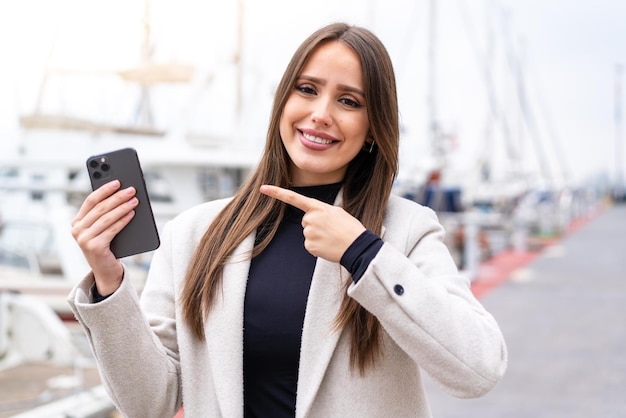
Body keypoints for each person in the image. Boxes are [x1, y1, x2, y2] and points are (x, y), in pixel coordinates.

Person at [68, 22, 507, 418]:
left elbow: (478, 370)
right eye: (307, 89)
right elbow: (150, 403)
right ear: (283, 101)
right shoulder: (196, 233)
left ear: (374, 126)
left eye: (349, 101)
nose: (321, 114)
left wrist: (363, 253)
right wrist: (108, 281)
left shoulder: (406, 229)